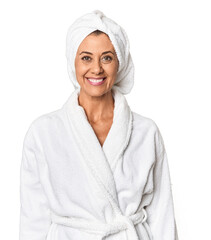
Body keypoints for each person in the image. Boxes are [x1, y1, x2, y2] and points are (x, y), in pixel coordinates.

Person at [19, 10, 179, 240]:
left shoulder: (146, 132)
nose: (96, 69)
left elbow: (162, 214)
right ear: (72, 61)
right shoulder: (43, 133)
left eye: (107, 57)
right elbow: (32, 220)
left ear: (120, 63)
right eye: (86, 58)